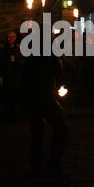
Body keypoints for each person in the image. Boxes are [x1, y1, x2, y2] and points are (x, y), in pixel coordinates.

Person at [24, 29, 69, 179]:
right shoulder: (49, 53)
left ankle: (35, 165)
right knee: (62, 126)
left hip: (31, 97)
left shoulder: (30, 51)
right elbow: (59, 71)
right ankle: (53, 163)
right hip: (45, 98)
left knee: (36, 132)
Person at [2, 31, 22, 121]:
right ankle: (9, 115)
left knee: (17, 95)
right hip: (8, 76)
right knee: (8, 96)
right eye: (7, 37)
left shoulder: (17, 49)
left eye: (11, 37)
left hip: (16, 76)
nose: (8, 39)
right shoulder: (3, 50)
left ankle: (16, 114)